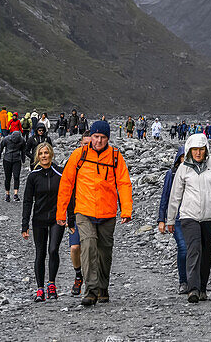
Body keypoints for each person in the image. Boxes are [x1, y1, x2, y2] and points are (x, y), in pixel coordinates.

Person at [56, 120, 133, 306]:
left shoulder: (115, 157)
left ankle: (103, 288)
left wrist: (126, 209)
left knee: (105, 251)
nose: (99, 141)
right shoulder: (79, 155)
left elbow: (123, 183)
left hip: (107, 212)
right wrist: (61, 212)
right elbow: (66, 183)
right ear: (91, 136)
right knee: (89, 245)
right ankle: (90, 291)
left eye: (103, 137)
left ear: (108, 138)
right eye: (96, 136)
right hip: (84, 209)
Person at [167, 133, 211, 303]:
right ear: (189, 150)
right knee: (194, 248)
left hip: (210, 216)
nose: (198, 153)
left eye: (201, 149)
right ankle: (193, 289)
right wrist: (170, 219)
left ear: (206, 149)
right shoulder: (183, 168)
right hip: (189, 216)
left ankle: (203, 288)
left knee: (206, 253)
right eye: (195, 150)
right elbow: (175, 195)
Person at [22, 143, 65, 302]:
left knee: (53, 250)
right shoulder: (33, 176)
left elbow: (68, 195)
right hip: (39, 219)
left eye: (46, 153)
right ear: (37, 156)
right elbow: (27, 201)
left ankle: (51, 284)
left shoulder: (60, 172)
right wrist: (24, 225)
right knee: (40, 253)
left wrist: (71, 220)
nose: (44, 156)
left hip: (56, 218)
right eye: (41, 154)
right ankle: (40, 289)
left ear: (51, 154)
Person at [157, 145, 189, 293]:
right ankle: (183, 281)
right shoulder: (172, 174)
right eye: (183, 157)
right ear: (178, 158)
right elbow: (165, 196)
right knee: (183, 248)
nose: (185, 160)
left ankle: (194, 281)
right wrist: (162, 219)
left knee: (195, 249)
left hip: (193, 216)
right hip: (176, 217)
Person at [66, 131, 92, 295]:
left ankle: (92, 283)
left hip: (94, 213)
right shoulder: (74, 162)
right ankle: (78, 275)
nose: (87, 146)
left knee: (91, 250)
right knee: (75, 247)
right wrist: (69, 216)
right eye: (84, 143)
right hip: (76, 212)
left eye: (90, 143)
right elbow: (67, 190)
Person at [0, 124, 26, 202]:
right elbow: (0, 149)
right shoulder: (6, 139)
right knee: (8, 178)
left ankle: (15, 194)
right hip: (7, 160)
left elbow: (23, 150)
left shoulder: (22, 140)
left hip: (17, 160)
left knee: (16, 177)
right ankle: (7, 194)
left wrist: (23, 159)